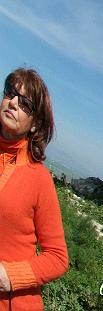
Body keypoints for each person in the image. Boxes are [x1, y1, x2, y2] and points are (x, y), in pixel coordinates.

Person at [0, 68, 68, 310]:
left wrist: (9, 275)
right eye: (10, 93)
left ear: (34, 125)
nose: (14, 103)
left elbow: (58, 258)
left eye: (26, 103)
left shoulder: (39, 179)